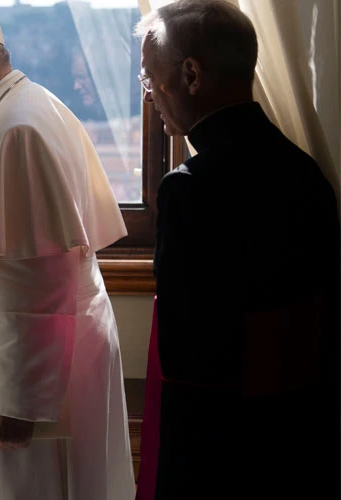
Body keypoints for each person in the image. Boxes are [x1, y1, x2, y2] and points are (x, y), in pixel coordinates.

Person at [0, 5, 135, 499]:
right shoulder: (21, 108)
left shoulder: (17, 127)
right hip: (23, 366)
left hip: (27, 386)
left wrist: (18, 407)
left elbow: (37, 279)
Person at [136, 1, 341, 498]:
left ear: (190, 74)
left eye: (150, 78)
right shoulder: (306, 173)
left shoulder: (189, 190)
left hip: (217, 450)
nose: (149, 96)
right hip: (303, 435)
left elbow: (185, 360)